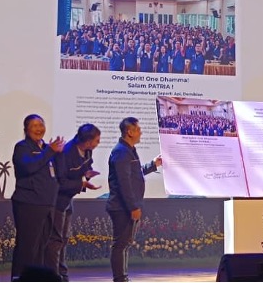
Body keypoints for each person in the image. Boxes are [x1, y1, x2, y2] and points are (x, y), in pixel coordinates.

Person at [107, 117, 162, 282]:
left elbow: (135, 173)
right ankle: (120, 279)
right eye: (138, 129)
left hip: (126, 206)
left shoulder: (128, 150)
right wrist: (133, 207)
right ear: (129, 132)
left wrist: (153, 164)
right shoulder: (121, 152)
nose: (141, 132)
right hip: (122, 207)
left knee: (124, 244)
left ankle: (122, 278)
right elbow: (124, 183)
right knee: (120, 245)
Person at [11, 115, 65, 281]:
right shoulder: (22, 147)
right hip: (29, 203)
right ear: (26, 129)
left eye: (41, 125)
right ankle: (21, 278)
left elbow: (56, 173)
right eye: (34, 126)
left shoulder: (46, 148)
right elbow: (28, 167)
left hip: (47, 203)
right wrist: (50, 151)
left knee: (42, 247)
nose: (39, 129)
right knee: (27, 247)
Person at [49, 124, 102, 281]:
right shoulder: (64, 152)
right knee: (56, 240)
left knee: (64, 239)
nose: (98, 143)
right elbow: (61, 182)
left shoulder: (88, 151)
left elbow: (85, 167)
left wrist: (87, 175)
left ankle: (62, 274)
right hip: (57, 201)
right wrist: (82, 183)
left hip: (68, 199)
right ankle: (53, 276)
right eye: (97, 140)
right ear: (88, 141)